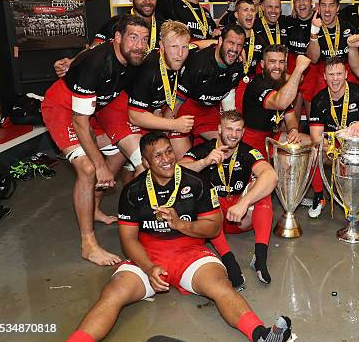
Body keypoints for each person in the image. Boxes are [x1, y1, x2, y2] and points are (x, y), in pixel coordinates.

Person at [66, 132, 292, 342]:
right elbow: (128, 239)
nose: (166, 159)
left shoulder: (196, 182)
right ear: (145, 162)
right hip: (148, 254)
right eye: (157, 155)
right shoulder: (133, 191)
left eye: (169, 151)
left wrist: (180, 224)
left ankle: (261, 335)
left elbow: (213, 229)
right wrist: (148, 267)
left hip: (191, 253)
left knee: (220, 287)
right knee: (113, 293)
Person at [41, 15, 149, 266]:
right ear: (118, 38)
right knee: (88, 169)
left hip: (93, 108)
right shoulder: (97, 64)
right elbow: (79, 122)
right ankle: (88, 243)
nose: (139, 45)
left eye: (144, 39)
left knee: (120, 150)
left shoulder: (135, 57)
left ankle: (96, 208)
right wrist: (99, 165)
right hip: (63, 108)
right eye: (133, 38)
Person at [180, 111, 278, 288]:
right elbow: (177, 172)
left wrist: (244, 203)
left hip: (239, 217)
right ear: (219, 129)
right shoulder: (204, 149)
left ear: (243, 132)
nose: (233, 135)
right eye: (229, 129)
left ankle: (260, 259)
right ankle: (229, 260)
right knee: (201, 195)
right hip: (213, 222)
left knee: (263, 190)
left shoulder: (248, 151)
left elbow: (271, 175)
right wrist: (203, 162)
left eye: (238, 130)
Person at [308, 56, 359, 218]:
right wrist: (331, 149)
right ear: (324, 76)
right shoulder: (319, 100)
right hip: (333, 148)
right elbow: (316, 137)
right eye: (331, 74)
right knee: (314, 152)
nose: (335, 79)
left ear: (346, 74)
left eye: (339, 74)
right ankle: (319, 197)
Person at [54, 0, 162, 77]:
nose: (148, 2)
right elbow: (94, 48)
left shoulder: (163, 25)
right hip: (124, 86)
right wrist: (72, 61)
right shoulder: (117, 23)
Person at [169, 25, 245, 159]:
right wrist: (167, 128)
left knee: (228, 149)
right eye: (231, 43)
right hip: (186, 108)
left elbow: (228, 98)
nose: (235, 49)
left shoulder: (237, 66)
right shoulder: (198, 64)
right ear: (220, 41)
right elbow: (176, 102)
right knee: (185, 163)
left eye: (239, 45)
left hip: (208, 111)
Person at [306, 0, 359, 108]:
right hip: (325, 71)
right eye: (323, 5)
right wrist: (313, 33)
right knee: (316, 98)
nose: (327, 10)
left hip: (347, 70)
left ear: (337, 8)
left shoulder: (348, 27)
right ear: (318, 8)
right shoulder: (313, 27)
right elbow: (314, 58)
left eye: (331, 5)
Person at [241, 44, 312, 157]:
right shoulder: (257, 85)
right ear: (263, 65)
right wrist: (298, 69)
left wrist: (293, 130)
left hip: (272, 137)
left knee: (315, 144)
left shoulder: (281, 84)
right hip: (252, 142)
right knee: (269, 172)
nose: (277, 66)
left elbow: (290, 117)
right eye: (272, 62)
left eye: (281, 62)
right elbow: (281, 103)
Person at [126, 20, 194, 135]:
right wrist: (174, 124)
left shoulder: (183, 57)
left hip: (153, 110)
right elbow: (134, 116)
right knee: (145, 151)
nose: (180, 54)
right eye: (174, 47)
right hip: (128, 112)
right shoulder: (148, 70)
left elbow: (199, 45)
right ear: (162, 46)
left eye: (185, 47)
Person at [231, 0, 266, 112]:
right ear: (236, 14)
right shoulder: (228, 36)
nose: (250, 13)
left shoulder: (260, 40)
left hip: (250, 87)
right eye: (245, 10)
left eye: (252, 10)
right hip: (229, 87)